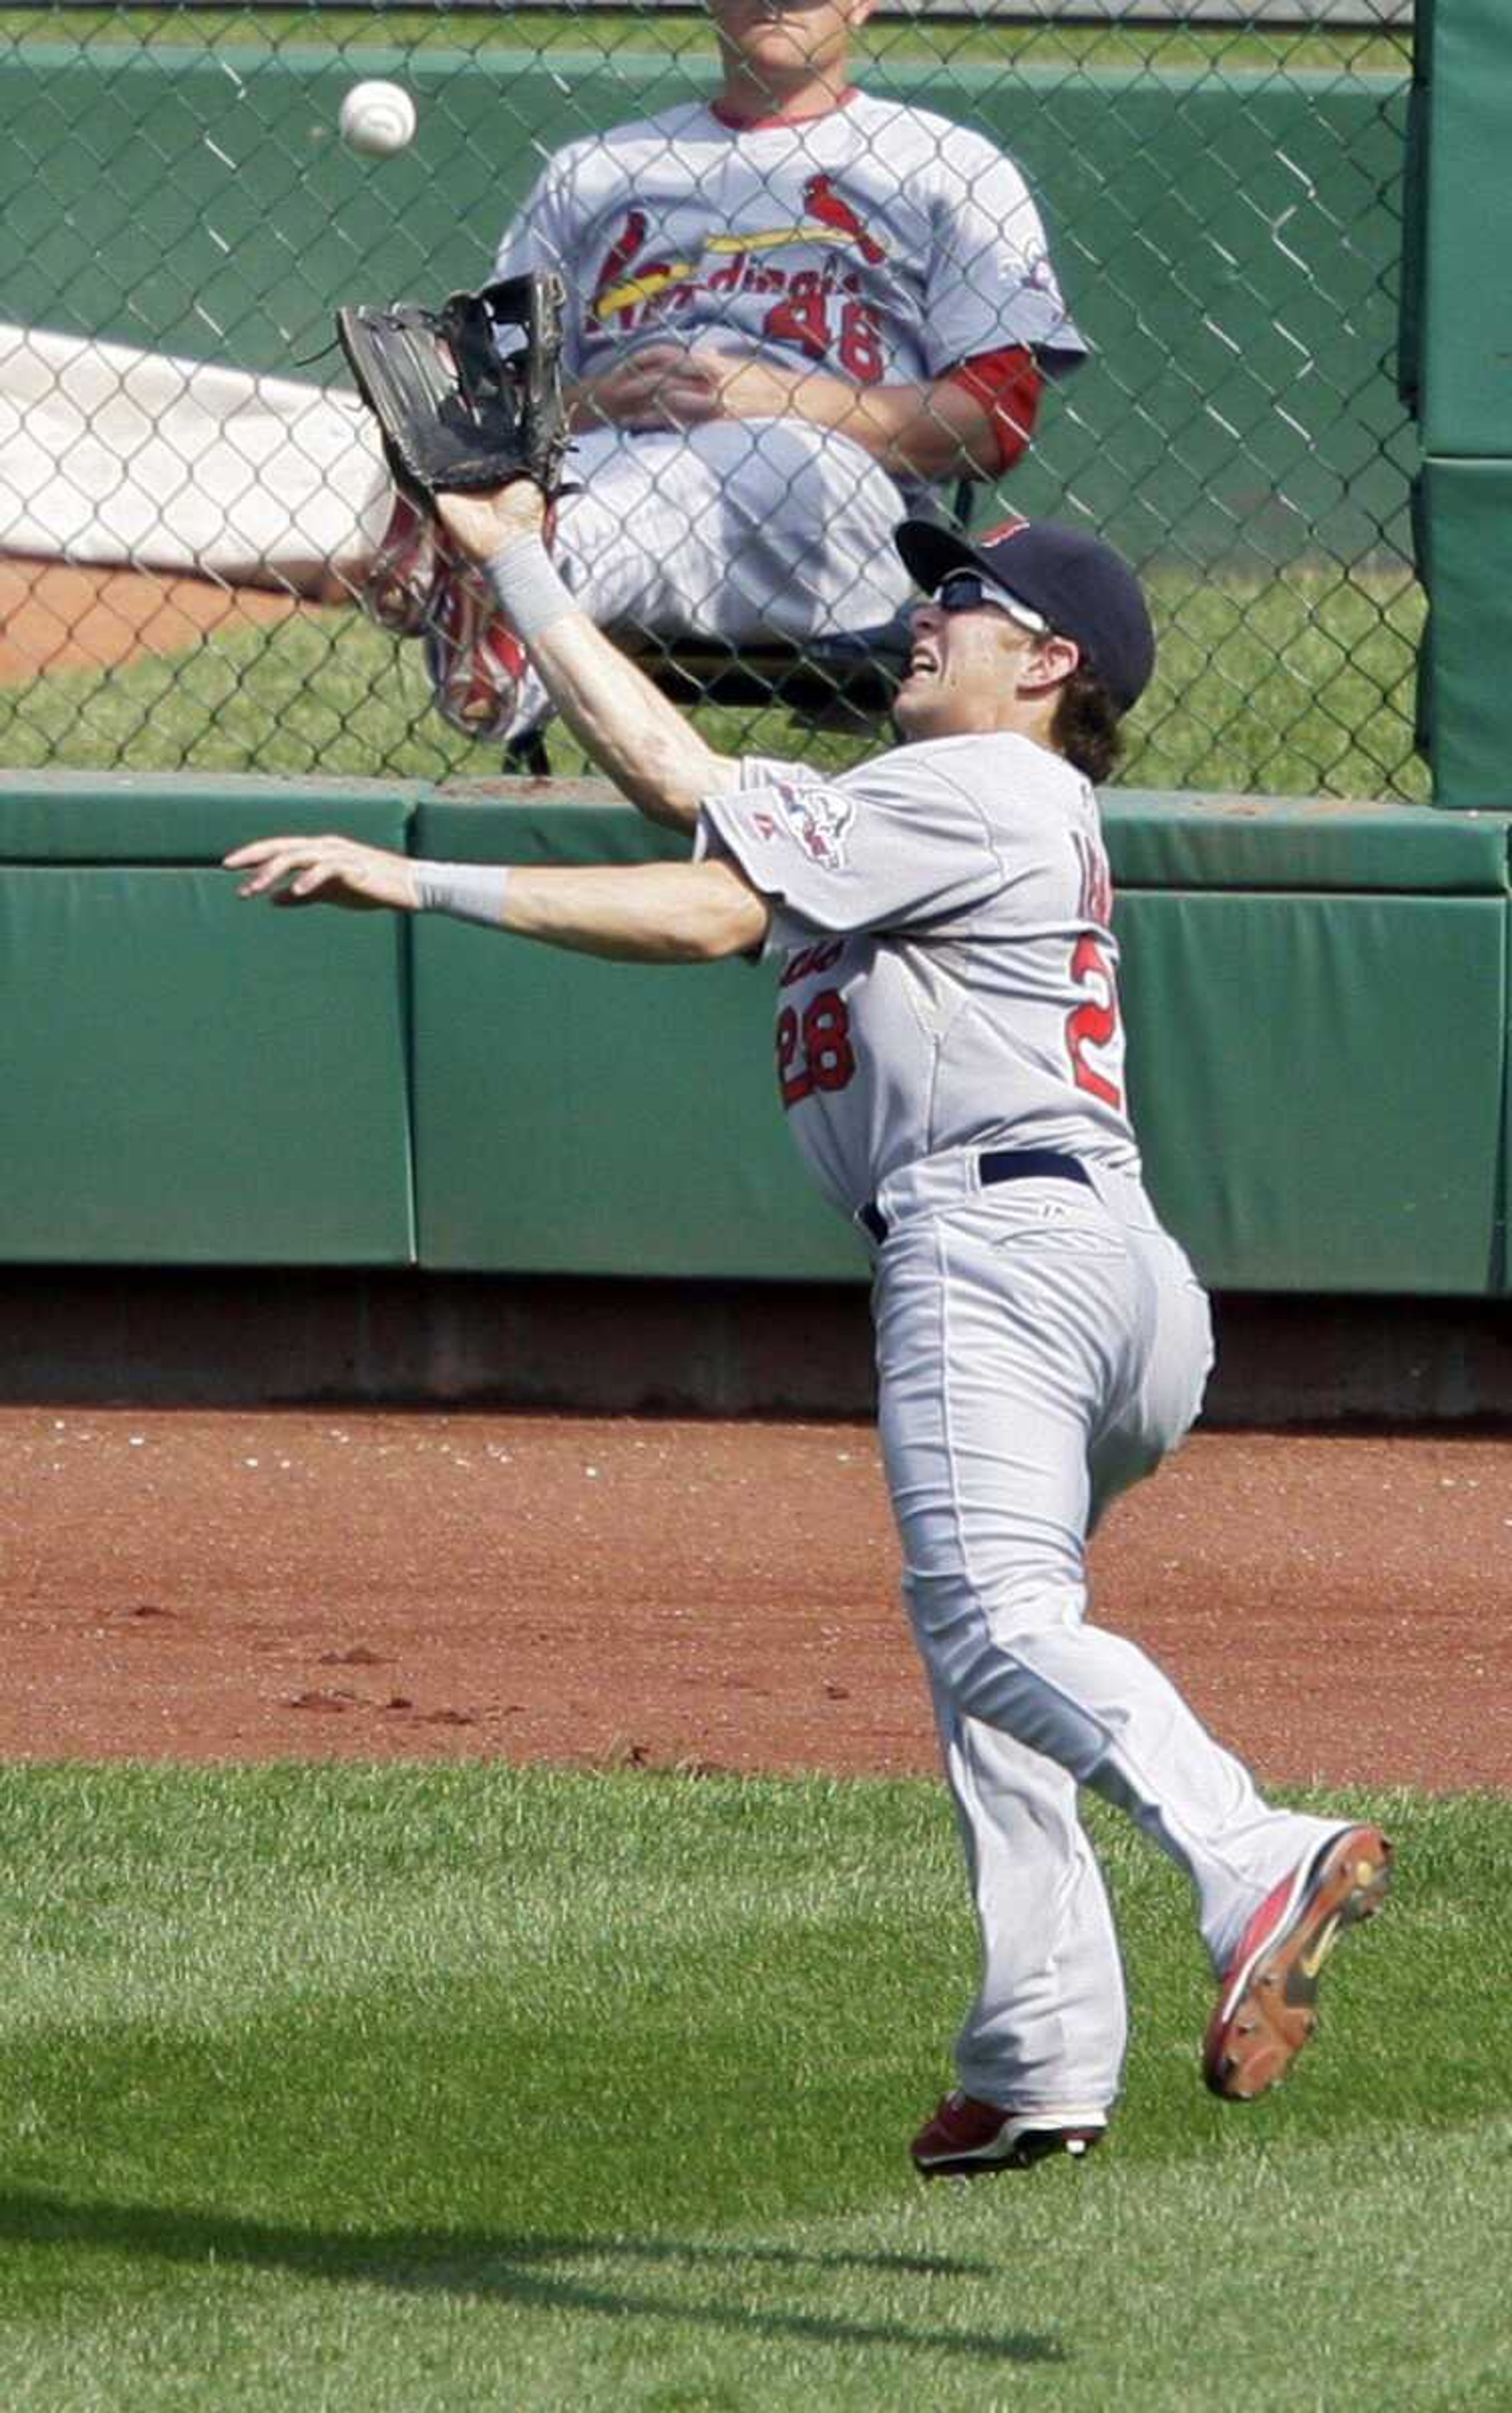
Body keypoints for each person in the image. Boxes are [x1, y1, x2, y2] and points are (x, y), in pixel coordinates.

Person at [228, 479, 1392, 2176]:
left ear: (1050, 661)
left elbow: (686, 799)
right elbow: (713, 897)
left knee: (994, 1625)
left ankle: (1249, 1853)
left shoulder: (982, 779)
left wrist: (493, 628)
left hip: (996, 1248)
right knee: (995, 1637)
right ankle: (1042, 2048)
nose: (926, 612)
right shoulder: (944, 811)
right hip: (1117, 1281)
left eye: (966, 599)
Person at [364, 0, 1086, 755]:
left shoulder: (948, 168)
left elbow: (993, 422)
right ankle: (506, 587)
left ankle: (502, 577)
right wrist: (598, 402)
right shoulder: (592, 171)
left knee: (718, 469)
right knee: (560, 471)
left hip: (827, 485)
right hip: (607, 449)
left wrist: (775, 395)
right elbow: (501, 404)